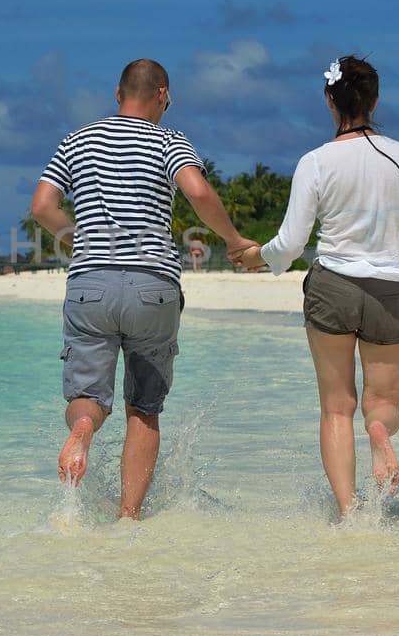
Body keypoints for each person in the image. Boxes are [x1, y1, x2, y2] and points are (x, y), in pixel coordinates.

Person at [29, 58, 259, 519]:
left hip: (90, 283)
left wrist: (78, 240)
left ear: (118, 95)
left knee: (88, 398)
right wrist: (234, 242)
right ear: (163, 96)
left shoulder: (78, 139)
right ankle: (128, 516)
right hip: (152, 286)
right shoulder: (169, 140)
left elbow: (41, 205)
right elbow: (196, 190)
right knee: (144, 408)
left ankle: (81, 433)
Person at [235, 56, 399, 517]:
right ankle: (378, 434)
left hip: (332, 285)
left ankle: (350, 512)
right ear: (374, 101)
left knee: (336, 408)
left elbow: (291, 243)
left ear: (330, 102)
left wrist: (258, 259)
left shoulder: (315, 162)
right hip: (390, 290)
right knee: (383, 403)